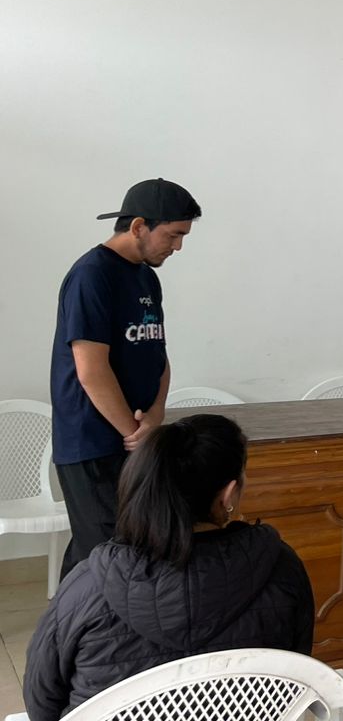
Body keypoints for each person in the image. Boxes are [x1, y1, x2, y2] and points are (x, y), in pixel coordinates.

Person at [24, 414, 312, 721]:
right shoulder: (281, 568)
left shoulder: (88, 585)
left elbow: (41, 704)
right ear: (228, 495)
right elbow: (296, 676)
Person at [50, 178, 201, 577]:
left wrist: (156, 414)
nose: (178, 247)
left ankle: (65, 616)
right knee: (108, 558)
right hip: (92, 442)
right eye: (173, 235)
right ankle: (80, 618)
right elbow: (91, 369)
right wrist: (135, 433)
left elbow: (157, 354)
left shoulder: (146, 277)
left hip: (133, 440)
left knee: (103, 551)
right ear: (138, 226)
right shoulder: (92, 274)